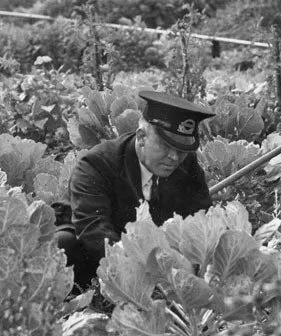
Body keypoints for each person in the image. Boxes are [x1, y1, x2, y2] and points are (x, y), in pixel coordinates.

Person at [56, 90, 215, 289]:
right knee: (64, 243)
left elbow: (202, 215)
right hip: (96, 255)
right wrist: (147, 272)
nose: (174, 158)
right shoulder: (96, 164)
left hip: (156, 256)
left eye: (182, 150)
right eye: (166, 146)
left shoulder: (186, 163)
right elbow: (94, 232)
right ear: (141, 137)